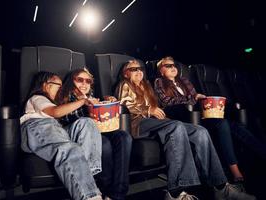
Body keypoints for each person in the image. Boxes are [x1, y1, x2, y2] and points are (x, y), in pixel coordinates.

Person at [116, 60, 256, 200]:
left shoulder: (147, 85)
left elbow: (159, 105)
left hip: (158, 122)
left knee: (199, 131)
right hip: (137, 122)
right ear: (126, 74)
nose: (139, 71)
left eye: (140, 68)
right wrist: (149, 109)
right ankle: (176, 192)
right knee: (176, 126)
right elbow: (124, 105)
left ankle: (220, 187)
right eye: (133, 69)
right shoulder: (125, 84)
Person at [154, 56, 266, 185]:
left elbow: (194, 97)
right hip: (184, 117)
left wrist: (198, 98)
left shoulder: (184, 81)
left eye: (174, 65)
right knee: (223, 123)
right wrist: (193, 97)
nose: (173, 68)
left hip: (198, 114)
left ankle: (262, 153)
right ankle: (234, 169)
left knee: (233, 125)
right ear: (161, 71)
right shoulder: (159, 82)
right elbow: (168, 102)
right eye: (168, 66)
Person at [20, 71, 103, 200]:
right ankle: (89, 196)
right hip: (37, 127)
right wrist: (82, 101)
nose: (61, 89)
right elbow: (56, 112)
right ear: (46, 85)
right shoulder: (37, 98)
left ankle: (86, 175)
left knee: (86, 122)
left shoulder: (54, 102)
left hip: (56, 129)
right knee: (70, 149)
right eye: (59, 86)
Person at [56, 68, 132, 200]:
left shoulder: (92, 97)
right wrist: (83, 103)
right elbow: (67, 119)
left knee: (124, 137)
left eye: (88, 81)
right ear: (71, 81)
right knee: (105, 144)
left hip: (100, 130)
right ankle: (105, 188)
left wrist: (106, 102)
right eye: (80, 80)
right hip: (79, 134)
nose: (84, 84)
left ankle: (117, 193)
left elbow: (102, 116)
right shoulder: (65, 96)